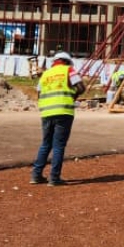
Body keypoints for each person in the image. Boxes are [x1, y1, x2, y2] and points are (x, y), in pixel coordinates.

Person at [30, 51, 85, 186]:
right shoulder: (69, 70)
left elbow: (39, 93)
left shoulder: (45, 74)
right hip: (63, 111)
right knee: (59, 145)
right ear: (66, 61)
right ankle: (54, 178)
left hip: (46, 112)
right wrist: (73, 96)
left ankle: (36, 176)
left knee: (46, 144)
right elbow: (81, 87)